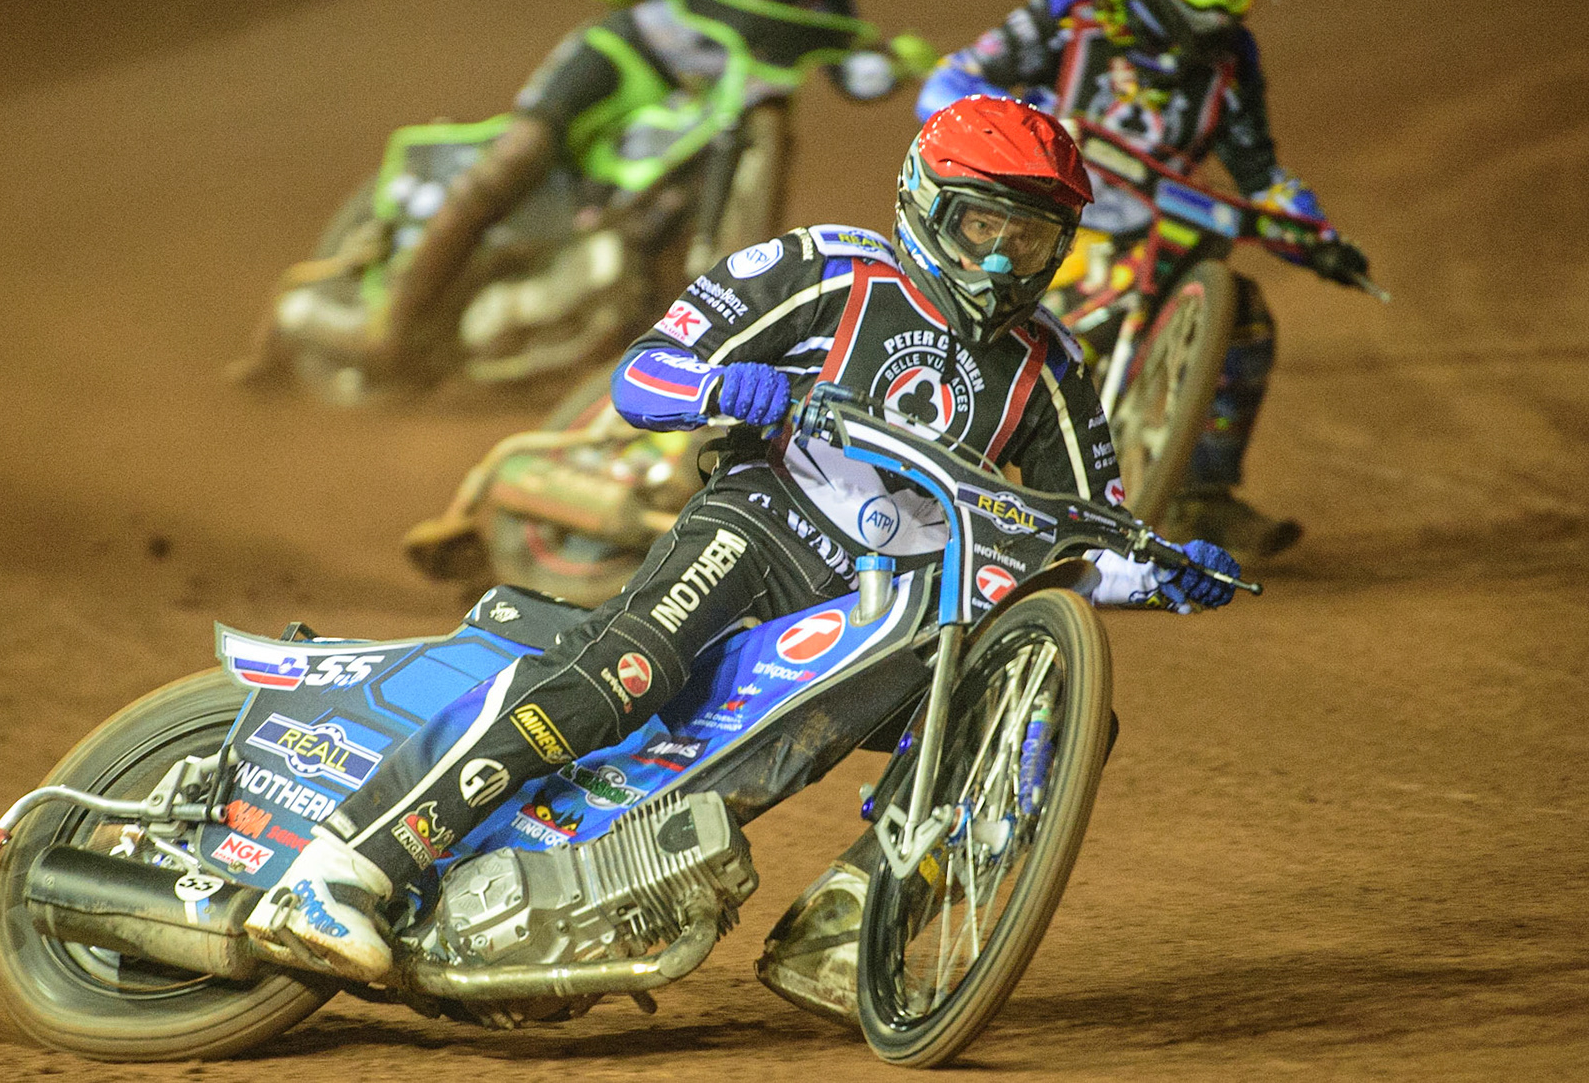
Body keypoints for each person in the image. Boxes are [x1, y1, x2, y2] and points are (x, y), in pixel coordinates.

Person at [244, 96, 1242, 982]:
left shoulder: (1052, 366)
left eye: (1029, 241)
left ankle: (850, 923)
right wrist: (724, 387)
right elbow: (645, 375)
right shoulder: (822, 268)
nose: (998, 259)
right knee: (628, 671)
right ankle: (347, 869)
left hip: (897, 606)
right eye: (981, 224)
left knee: (1051, 721)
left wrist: (1164, 571)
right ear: (926, 202)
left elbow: (1084, 527)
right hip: (764, 526)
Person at [237, 0, 933, 382]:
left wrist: (893, 64)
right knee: (521, 152)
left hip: (718, 113)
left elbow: (852, 72)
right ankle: (391, 319)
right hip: (626, 62)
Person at [916, 0, 1372, 557]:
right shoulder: (1075, 13)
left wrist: (1317, 235)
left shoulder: (1231, 59)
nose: (1222, 6)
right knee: (977, 318)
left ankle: (1200, 498)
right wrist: (1013, 132)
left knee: (1243, 317)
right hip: (1038, 215)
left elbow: (1259, 170)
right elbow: (951, 80)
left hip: (1157, 233)